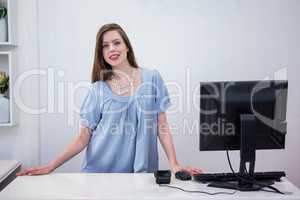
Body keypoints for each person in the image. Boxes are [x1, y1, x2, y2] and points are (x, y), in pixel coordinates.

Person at [17, 23, 202, 176]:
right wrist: (51, 166)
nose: (111, 49)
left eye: (116, 42)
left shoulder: (152, 78)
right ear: (101, 53)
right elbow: (83, 138)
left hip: (142, 175)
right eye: (105, 46)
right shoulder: (98, 90)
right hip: (100, 175)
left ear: (127, 46)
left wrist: (175, 164)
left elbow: (162, 126)